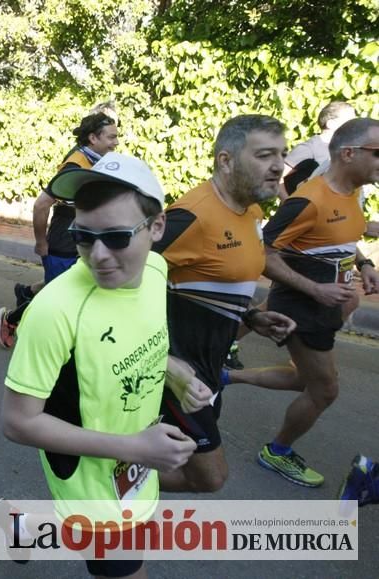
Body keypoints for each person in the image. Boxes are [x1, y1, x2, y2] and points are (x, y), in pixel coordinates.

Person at [1, 153, 196, 577]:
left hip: (138, 461)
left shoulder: (157, 270)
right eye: (84, 238)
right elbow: (17, 423)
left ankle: (22, 525)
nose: (98, 256)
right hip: (92, 478)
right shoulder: (54, 310)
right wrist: (135, 447)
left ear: (157, 227)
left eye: (118, 237)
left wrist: (174, 372)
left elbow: (136, 339)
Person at [228, 117, 379, 487]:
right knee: (325, 388)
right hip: (304, 307)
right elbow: (263, 251)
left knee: (305, 379)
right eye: (378, 153)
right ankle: (276, 452)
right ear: (349, 153)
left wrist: (364, 264)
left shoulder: (350, 194)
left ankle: (223, 376)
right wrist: (316, 290)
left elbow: (342, 236)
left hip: (324, 305)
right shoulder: (309, 200)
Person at [152, 115, 296, 494]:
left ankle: (116, 483)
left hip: (210, 365)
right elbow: (116, 288)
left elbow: (202, 284)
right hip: (178, 375)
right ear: (226, 160)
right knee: (210, 477)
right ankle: (99, 468)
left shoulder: (252, 211)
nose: (279, 165)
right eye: (265, 154)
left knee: (176, 456)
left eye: (281, 153)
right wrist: (164, 363)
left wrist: (252, 317)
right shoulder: (191, 216)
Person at [0, 112, 119, 348]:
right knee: (58, 294)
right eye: (111, 137)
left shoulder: (95, 160)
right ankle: (10, 318)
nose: (116, 142)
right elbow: (41, 204)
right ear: (93, 138)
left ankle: (25, 293)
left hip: (82, 236)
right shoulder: (75, 165)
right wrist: (41, 242)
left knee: (68, 283)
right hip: (64, 237)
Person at [282, 102, 357, 198]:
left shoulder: (344, 151)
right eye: (349, 121)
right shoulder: (309, 148)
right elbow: (277, 177)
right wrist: (287, 202)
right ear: (331, 124)